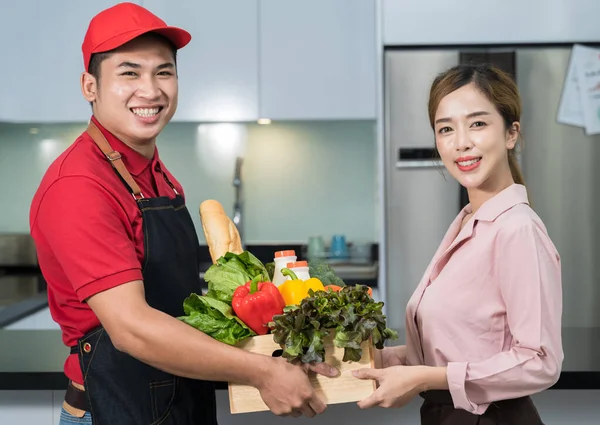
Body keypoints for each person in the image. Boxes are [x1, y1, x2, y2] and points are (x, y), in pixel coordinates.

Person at [29, 3, 336, 424]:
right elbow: (131, 326)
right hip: (115, 409)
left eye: (164, 72)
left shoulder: (156, 175)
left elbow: (174, 306)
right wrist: (262, 371)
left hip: (173, 402)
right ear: (90, 85)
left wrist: (280, 347)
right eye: (129, 73)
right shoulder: (79, 185)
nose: (151, 90)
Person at [353, 63, 563, 424]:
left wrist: (424, 378)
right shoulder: (469, 221)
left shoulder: (516, 228)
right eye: (446, 128)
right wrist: (385, 362)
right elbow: (464, 345)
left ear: (511, 133)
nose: (461, 141)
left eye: (477, 123)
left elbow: (540, 361)